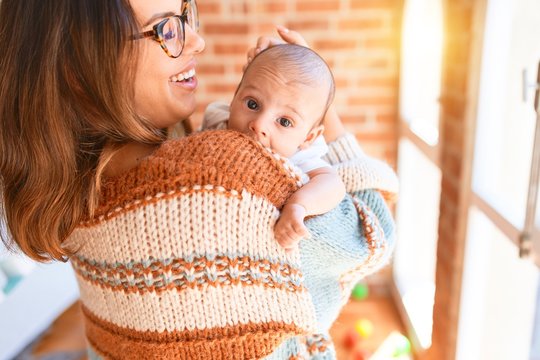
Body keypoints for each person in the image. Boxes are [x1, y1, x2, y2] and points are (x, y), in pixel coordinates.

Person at [0, 0, 398, 359]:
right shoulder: (233, 180)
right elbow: (373, 232)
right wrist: (325, 114)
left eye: (185, 13)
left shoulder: (70, 195)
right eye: (166, 30)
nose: (198, 42)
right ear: (80, 66)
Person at [202, 44, 346, 251]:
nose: (259, 124)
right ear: (234, 98)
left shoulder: (299, 155)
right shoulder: (217, 121)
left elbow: (333, 185)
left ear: (308, 137)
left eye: (284, 122)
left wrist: (299, 205)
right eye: (252, 104)